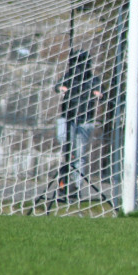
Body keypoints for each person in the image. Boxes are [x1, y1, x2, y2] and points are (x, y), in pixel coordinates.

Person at [55, 50, 102, 201]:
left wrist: (97, 94)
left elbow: (101, 91)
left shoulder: (93, 79)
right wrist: (61, 89)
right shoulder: (68, 77)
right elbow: (58, 86)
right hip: (67, 118)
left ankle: (76, 186)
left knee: (79, 155)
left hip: (84, 120)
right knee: (66, 147)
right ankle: (63, 184)